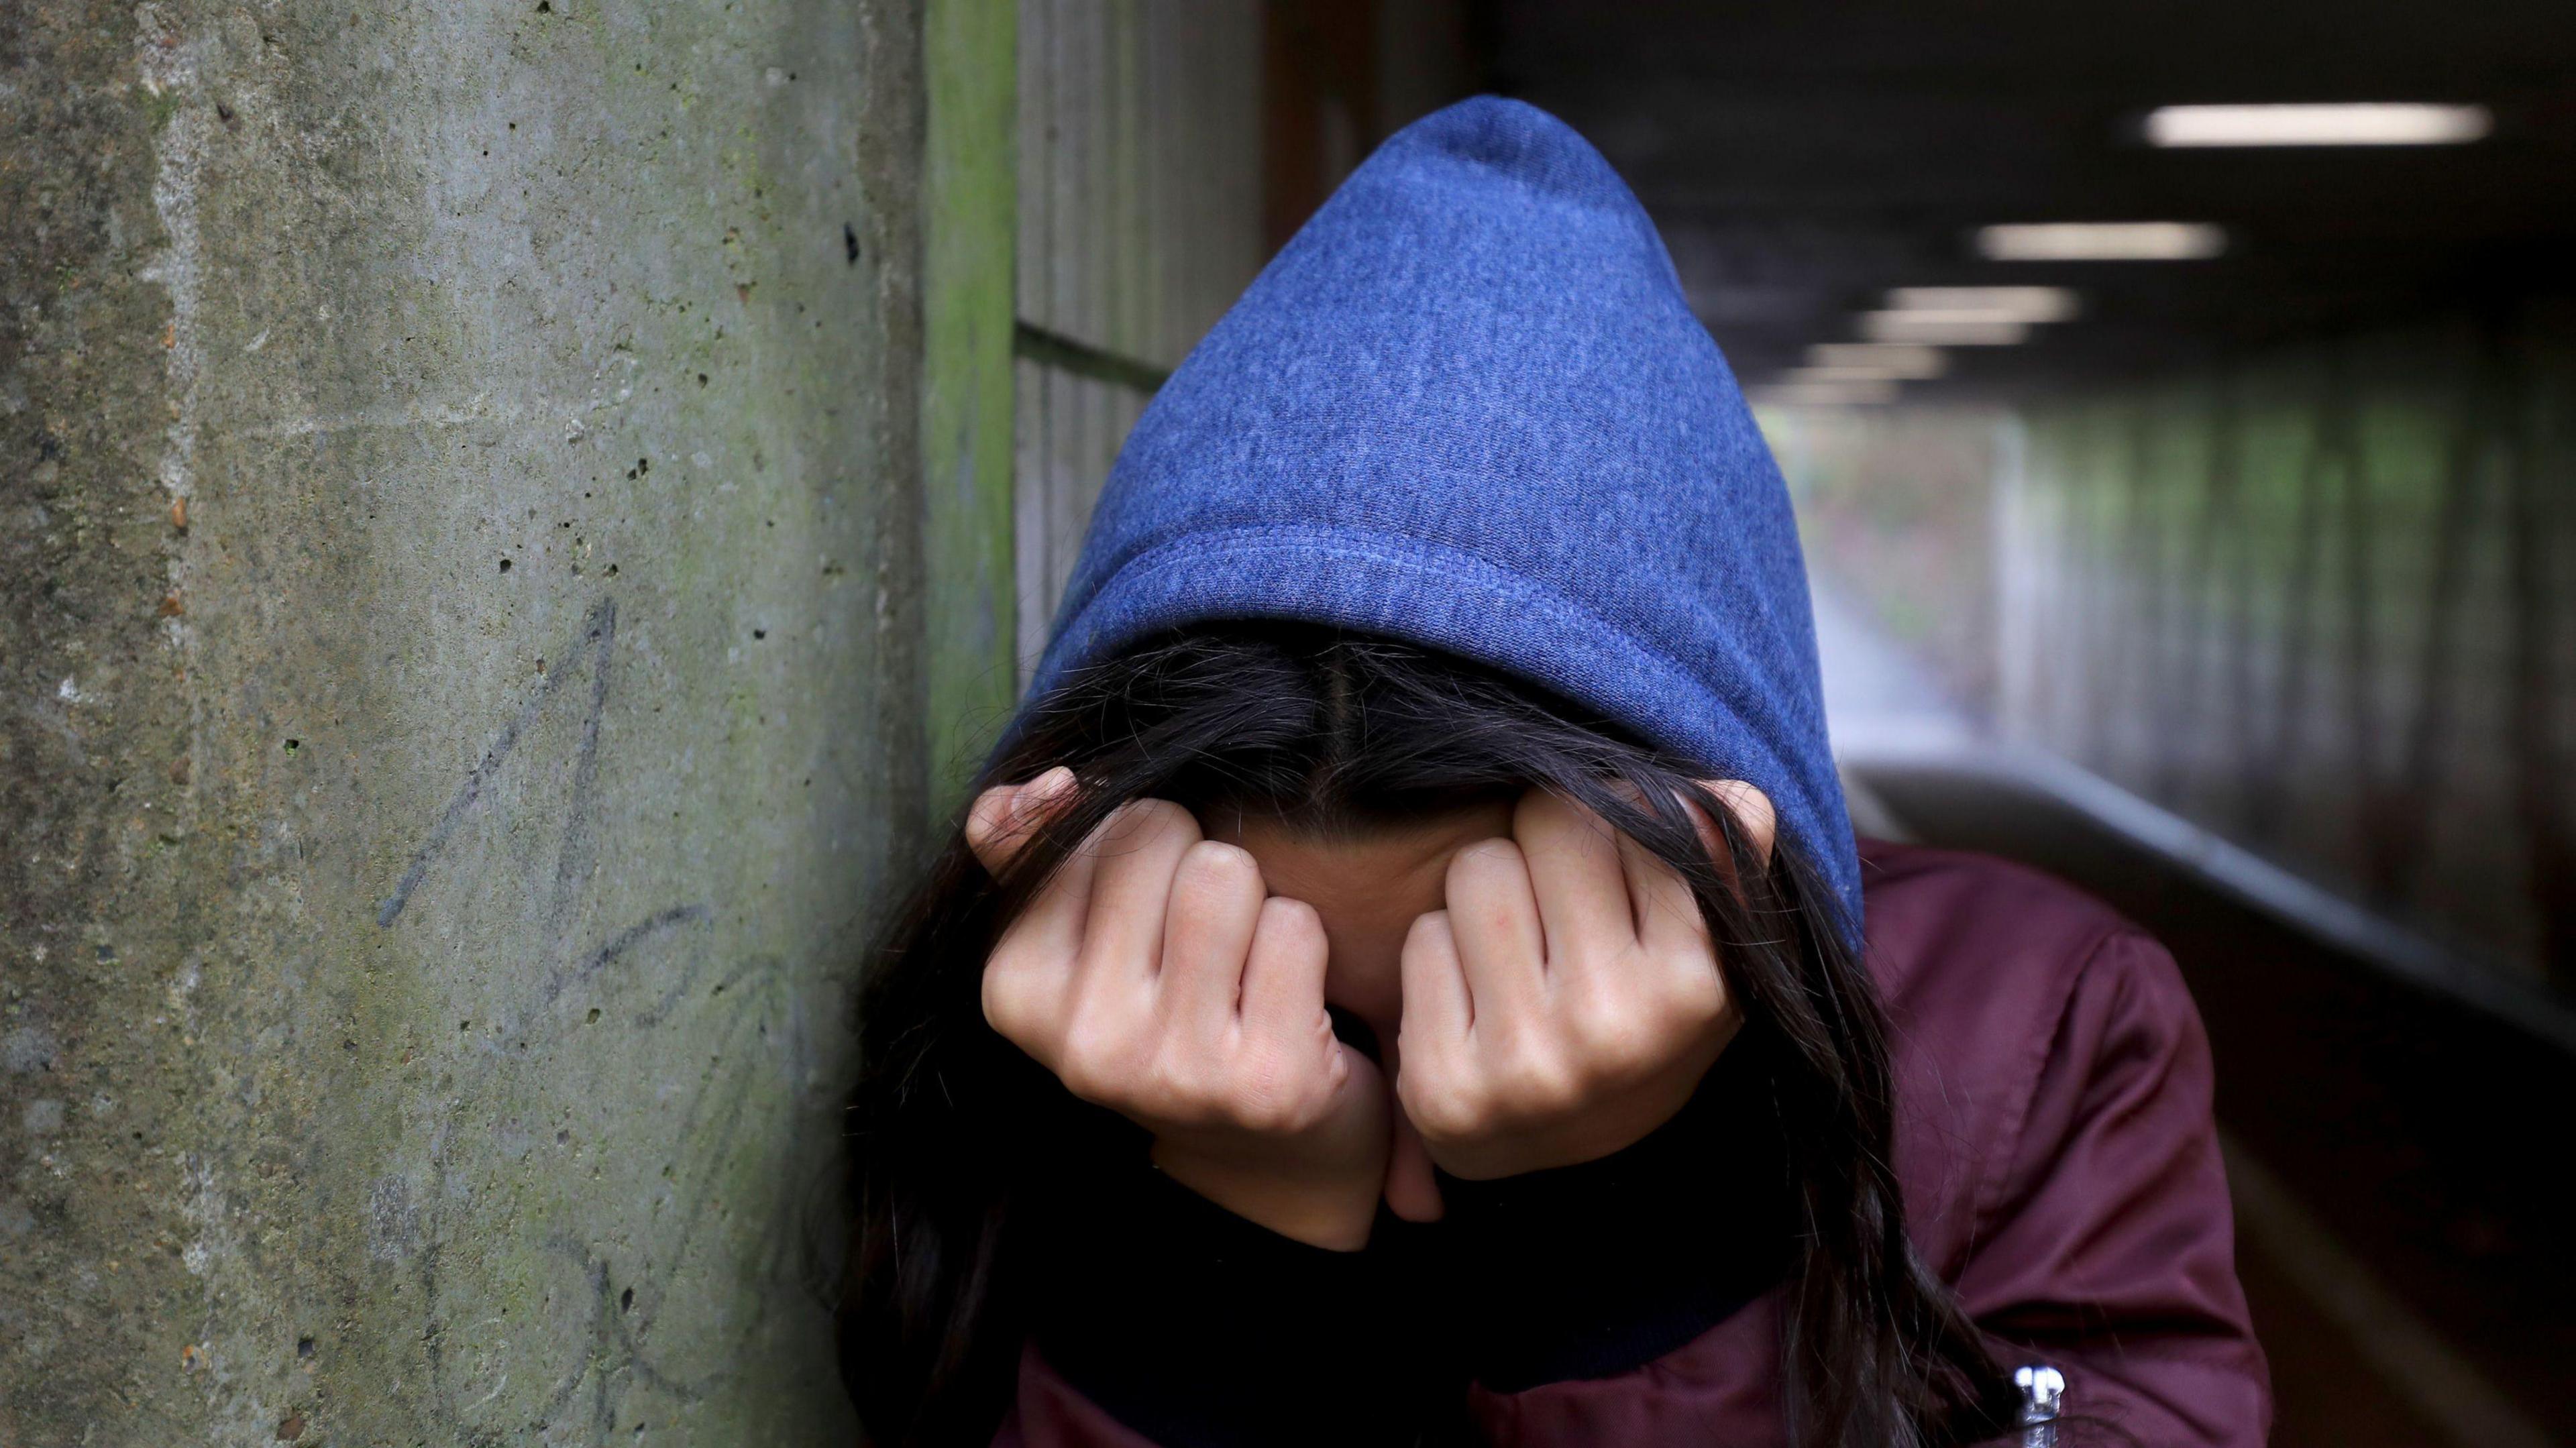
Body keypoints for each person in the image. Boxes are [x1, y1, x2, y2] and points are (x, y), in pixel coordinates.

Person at [839, 98, 2269, 1447]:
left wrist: (1624, 1244)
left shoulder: (2043, 1033)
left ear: (1715, 854)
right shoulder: (1029, 1064)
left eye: (1508, 961)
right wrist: (1220, 1285)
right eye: (1313, 1013)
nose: (1426, 1099)